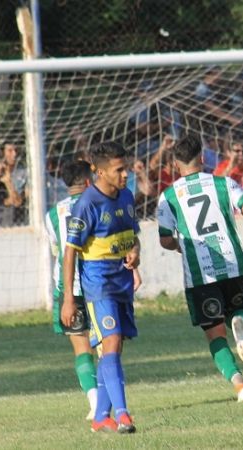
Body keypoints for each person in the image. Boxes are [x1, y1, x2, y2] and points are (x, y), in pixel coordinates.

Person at [156, 135, 243, 402]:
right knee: (237, 309)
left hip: (200, 273)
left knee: (215, 334)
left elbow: (165, 239)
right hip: (233, 265)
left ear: (176, 164)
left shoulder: (168, 196)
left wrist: (182, 245)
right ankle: (238, 318)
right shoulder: (224, 183)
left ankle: (240, 385)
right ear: (202, 159)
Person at [61, 142, 141, 434]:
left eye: (126, 168)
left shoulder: (127, 196)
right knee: (112, 340)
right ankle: (123, 414)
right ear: (100, 171)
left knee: (115, 347)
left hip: (122, 283)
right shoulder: (88, 203)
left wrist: (136, 251)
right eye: (119, 170)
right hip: (98, 286)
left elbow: (133, 237)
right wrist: (69, 299)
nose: (125, 175)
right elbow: (70, 252)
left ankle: (100, 417)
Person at [44, 160, 99, 421]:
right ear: (88, 181)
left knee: (80, 347)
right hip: (97, 282)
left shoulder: (52, 214)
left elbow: (58, 250)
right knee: (107, 342)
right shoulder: (98, 202)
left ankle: (94, 401)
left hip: (69, 287)